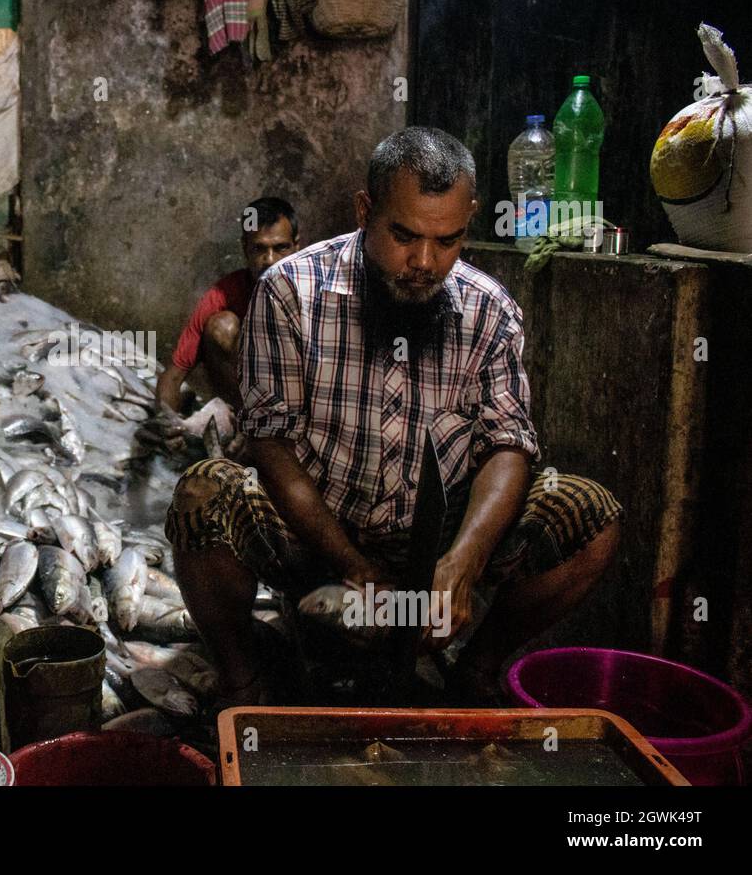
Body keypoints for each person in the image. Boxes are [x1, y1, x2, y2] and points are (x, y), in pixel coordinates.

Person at [164, 127, 623, 705]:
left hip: (437, 541)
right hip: (316, 536)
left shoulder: (491, 311)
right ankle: (247, 684)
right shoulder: (289, 294)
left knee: (592, 517)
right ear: (365, 210)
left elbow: (509, 444)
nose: (424, 263)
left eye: (447, 240)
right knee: (202, 496)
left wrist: (462, 561)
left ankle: (475, 673)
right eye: (404, 236)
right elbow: (271, 445)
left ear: (470, 220)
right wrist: (353, 566)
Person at [156, 197, 300, 414]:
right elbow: (174, 375)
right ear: (245, 249)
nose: (269, 260)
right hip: (250, 403)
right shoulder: (223, 294)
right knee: (222, 326)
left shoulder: (316, 291)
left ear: (297, 247)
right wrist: (166, 422)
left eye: (280, 248)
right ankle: (244, 424)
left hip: (301, 402)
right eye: (258, 248)